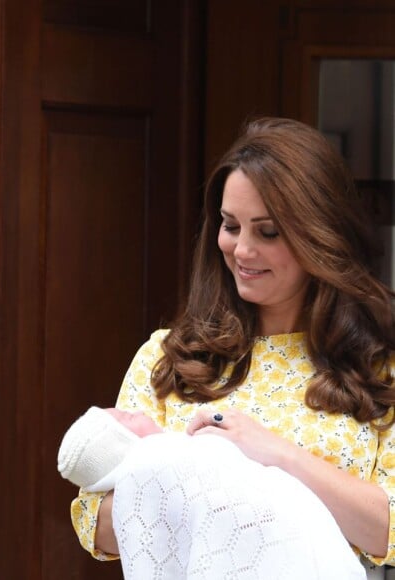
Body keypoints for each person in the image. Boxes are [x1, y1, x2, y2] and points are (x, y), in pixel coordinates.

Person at [67, 117, 395, 575]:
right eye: (230, 225)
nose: (241, 250)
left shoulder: (380, 370)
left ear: (320, 235)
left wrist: (272, 454)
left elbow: (387, 528)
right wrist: (187, 474)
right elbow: (96, 525)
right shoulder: (170, 358)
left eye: (267, 232)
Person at [59, 406, 367, 578]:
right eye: (127, 417)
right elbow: (91, 519)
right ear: (122, 440)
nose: (137, 410)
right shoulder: (158, 453)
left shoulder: (376, 367)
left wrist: (278, 453)